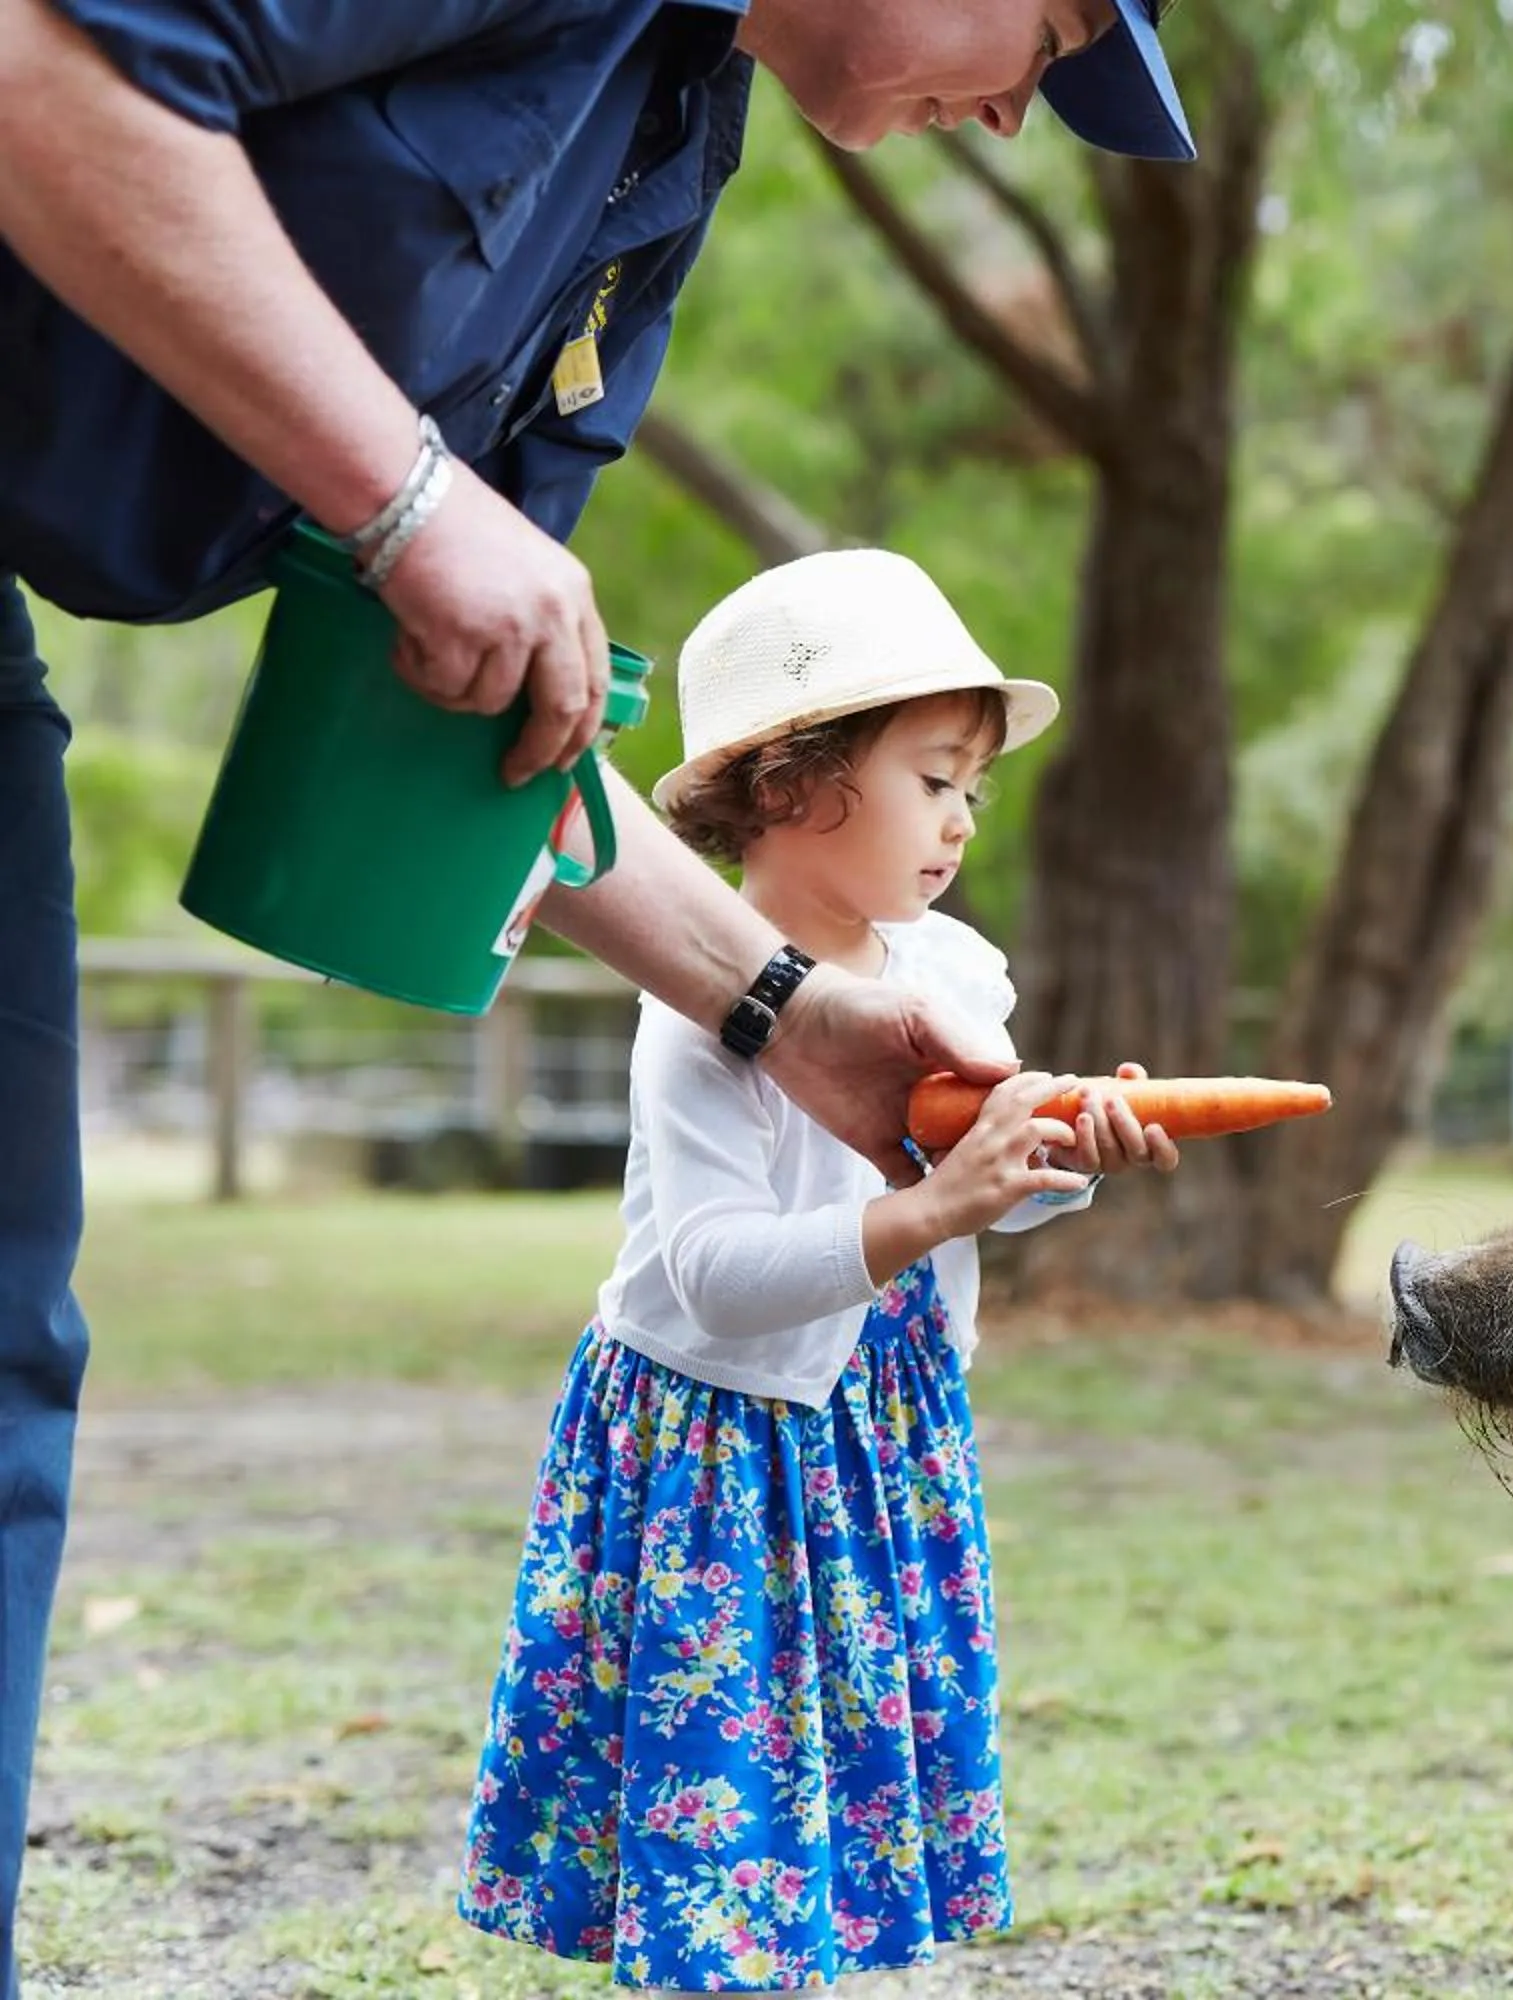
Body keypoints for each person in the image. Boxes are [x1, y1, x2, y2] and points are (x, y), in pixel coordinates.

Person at [0, 0, 1194, 1985]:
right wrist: (400, 495)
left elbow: (492, 714)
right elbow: (41, 62)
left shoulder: (660, 162)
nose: (1021, 107)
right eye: (1052, 22)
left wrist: (786, 1005)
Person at [456, 549, 1174, 1990]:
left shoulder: (960, 976)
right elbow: (713, 1274)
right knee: (724, 1774)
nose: (965, 817)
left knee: (840, 1750)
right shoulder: (698, 1013)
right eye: (933, 777)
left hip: (883, 1428)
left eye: (974, 784)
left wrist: (1058, 1158)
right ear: (786, 785)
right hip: (722, 1444)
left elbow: (971, 1190)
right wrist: (933, 1213)